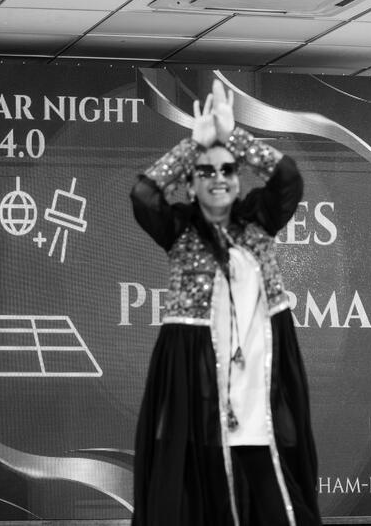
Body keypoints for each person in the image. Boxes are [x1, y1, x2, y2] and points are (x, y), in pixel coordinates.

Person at [129, 80, 321, 526]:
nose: (218, 178)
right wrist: (192, 145)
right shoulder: (179, 230)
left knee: (272, 488)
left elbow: (288, 178)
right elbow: (144, 194)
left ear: (237, 180)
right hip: (199, 383)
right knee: (201, 487)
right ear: (191, 185)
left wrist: (234, 136)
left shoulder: (259, 220)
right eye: (206, 172)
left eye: (227, 170)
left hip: (257, 384)